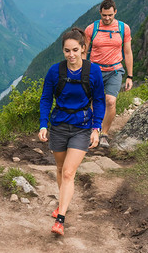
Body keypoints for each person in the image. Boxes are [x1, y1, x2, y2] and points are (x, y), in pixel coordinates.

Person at [38, 28, 106, 236]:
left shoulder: (93, 71)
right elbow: (46, 99)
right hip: (59, 126)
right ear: (63, 51)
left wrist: (97, 128)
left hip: (82, 127)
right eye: (67, 51)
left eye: (75, 49)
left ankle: (61, 219)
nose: (71, 55)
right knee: (60, 169)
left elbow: (100, 100)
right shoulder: (54, 72)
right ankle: (63, 203)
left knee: (68, 172)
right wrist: (43, 124)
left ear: (83, 48)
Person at [84, 0, 133, 148]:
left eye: (110, 15)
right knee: (93, 102)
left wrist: (130, 76)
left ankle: (104, 134)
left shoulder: (123, 28)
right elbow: (84, 52)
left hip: (115, 70)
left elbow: (128, 52)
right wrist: (82, 71)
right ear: (100, 13)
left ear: (115, 12)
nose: (107, 18)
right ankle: (92, 133)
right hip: (95, 70)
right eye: (104, 15)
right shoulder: (91, 29)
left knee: (110, 101)